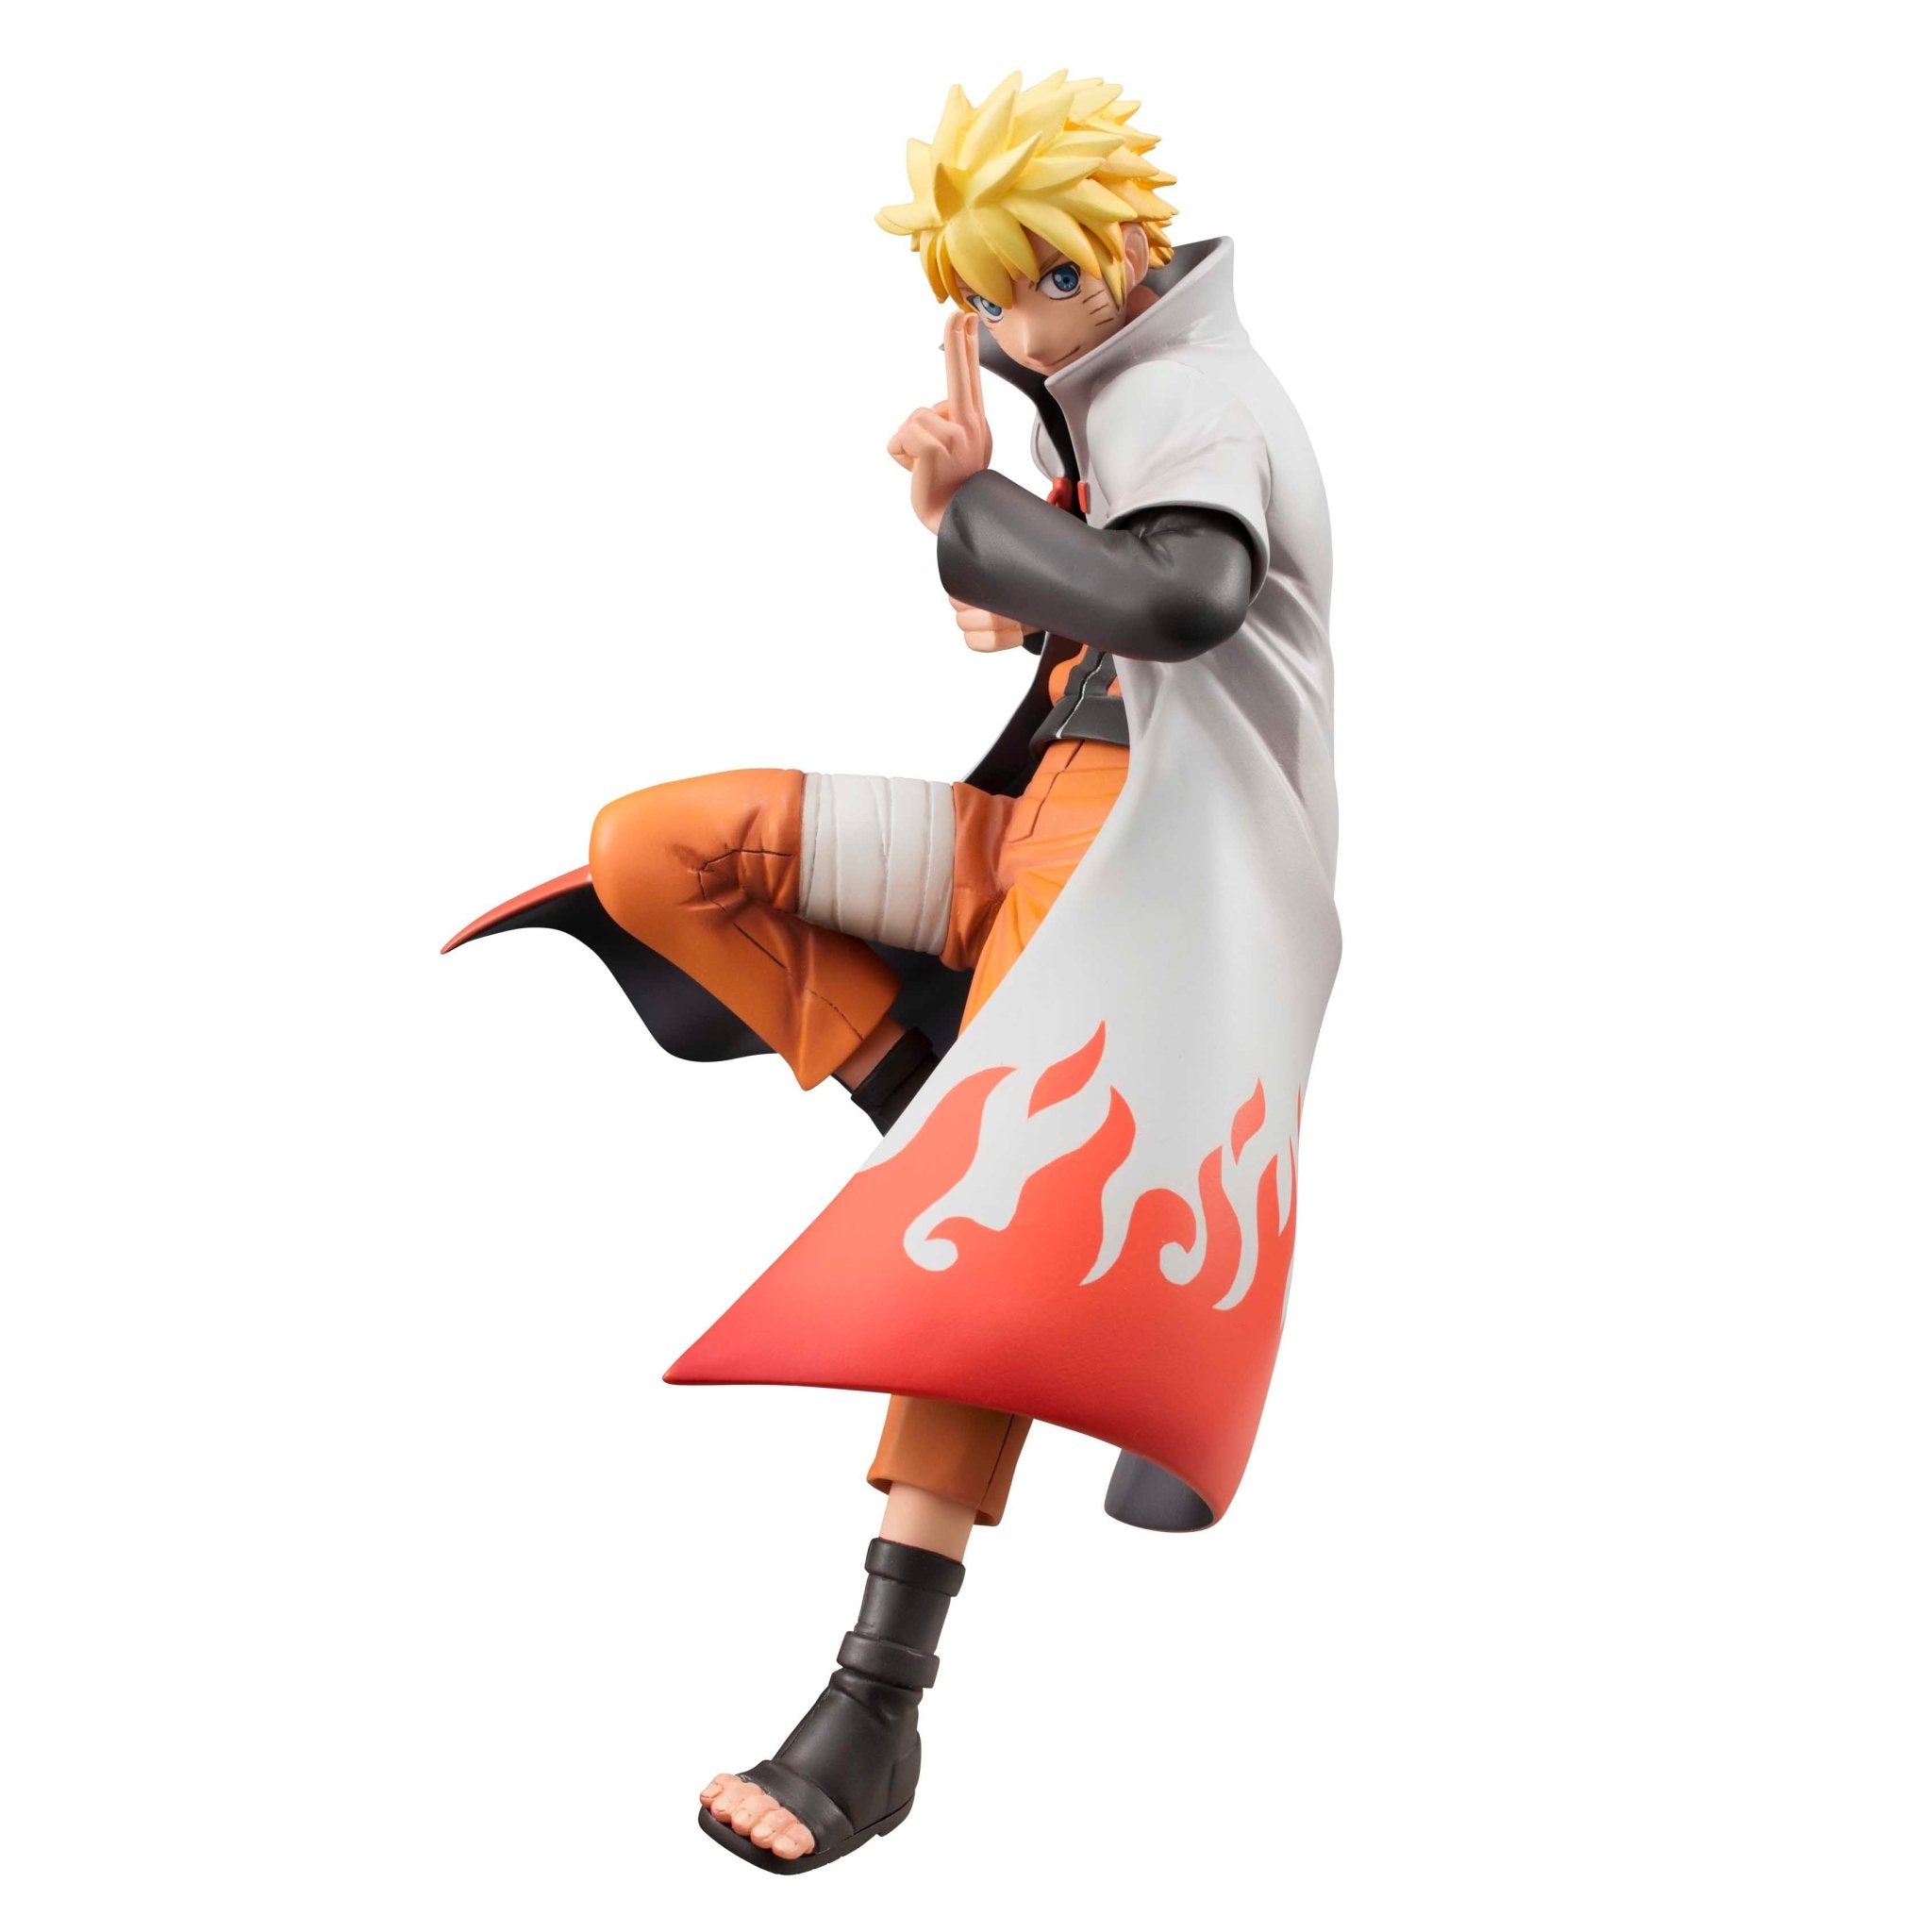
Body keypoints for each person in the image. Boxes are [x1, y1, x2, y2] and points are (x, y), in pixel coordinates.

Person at [445, 70, 1341, 1874]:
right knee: (661, 854)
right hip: (1028, 822)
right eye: (991, 296)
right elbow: (1037, 622)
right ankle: (928, 1105)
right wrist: (971, 503)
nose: (1018, 327)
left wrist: (974, 509)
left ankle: (879, 1698)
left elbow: (1181, 600)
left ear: (1123, 245)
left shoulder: (1190, 393)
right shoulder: (1106, 388)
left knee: (979, 1257)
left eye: (1040, 287)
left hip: (1144, 861)